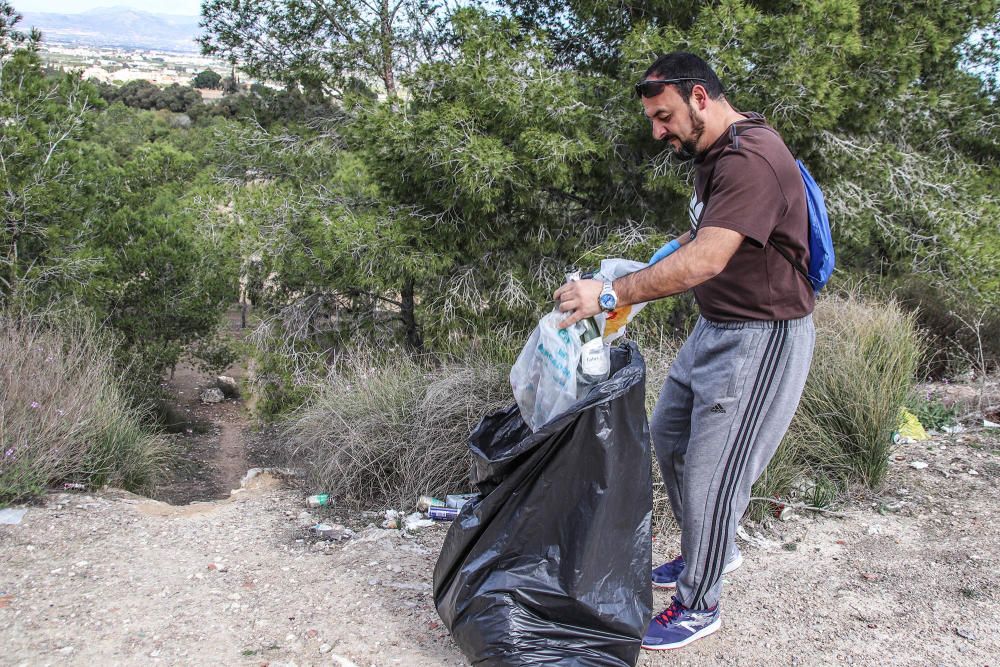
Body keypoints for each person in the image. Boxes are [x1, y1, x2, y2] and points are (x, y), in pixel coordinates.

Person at [554, 52, 816, 651]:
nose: (658, 131)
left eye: (664, 115)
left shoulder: (752, 159)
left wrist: (613, 292)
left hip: (762, 336)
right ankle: (710, 546)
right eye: (652, 119)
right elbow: (700, 234)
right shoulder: (709, 154)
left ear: (700, 97)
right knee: (668, 438)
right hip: (716, 326)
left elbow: (705, 261)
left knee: (711, 473)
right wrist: (642, 267)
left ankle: (701, 600)